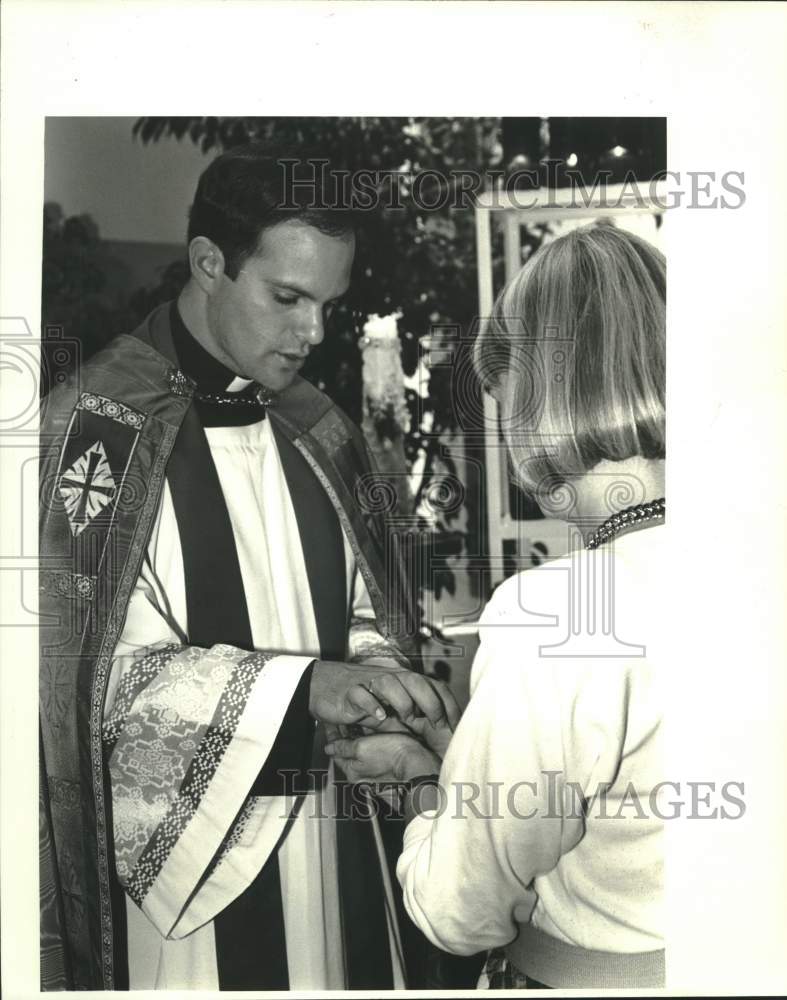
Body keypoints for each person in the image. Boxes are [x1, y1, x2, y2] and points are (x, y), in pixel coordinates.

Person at [38, 143, 458, 991]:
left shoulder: (316, 427)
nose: (312, 334)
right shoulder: (91, 432)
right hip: (186, 895)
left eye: (328, 306)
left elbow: (365, 607)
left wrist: (378, 679)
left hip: (335, 838)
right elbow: (82, 692)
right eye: (288, 298)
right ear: (207, 264)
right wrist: (302, 691)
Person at [325, 222, 667, 990]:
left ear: (544, 394)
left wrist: (419, 789)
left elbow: (458, 912)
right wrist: (466, 763)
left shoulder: (560, 611)